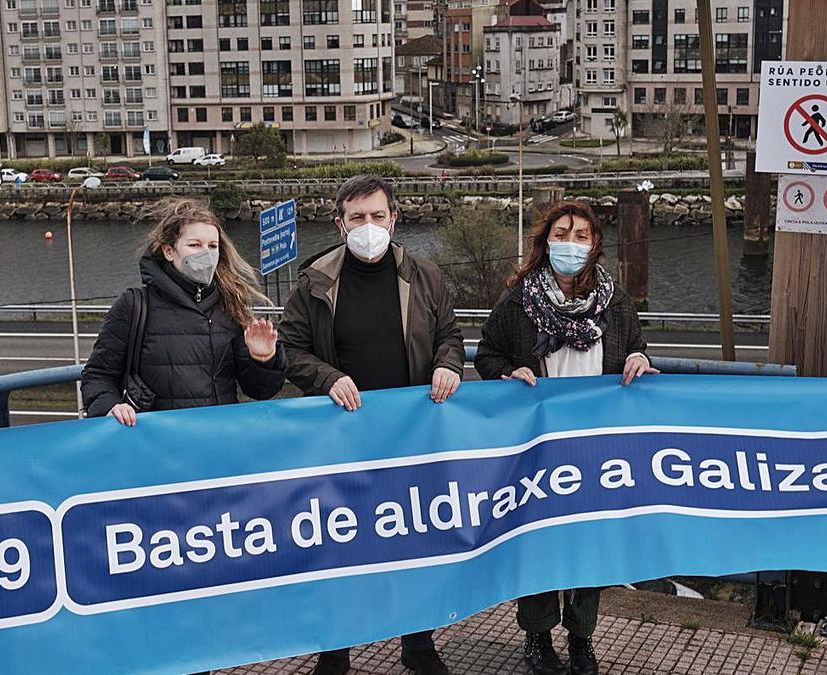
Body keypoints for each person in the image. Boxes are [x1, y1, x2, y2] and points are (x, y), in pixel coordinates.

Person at [280, 175, 464, 675]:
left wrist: (449, 363)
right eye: (357, 218)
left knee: (416, 540)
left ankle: (418, 640)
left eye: (377, 216)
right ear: (340, 223)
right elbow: (290, 351)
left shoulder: (426, 277)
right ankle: (336, 647)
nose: (368, 227)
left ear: (394, 219)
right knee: (340, 546)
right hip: (342, 439)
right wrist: (328, 377)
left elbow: (451, 334)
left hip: (412, 439)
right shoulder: (315, 280)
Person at [474, 200, 657, 675]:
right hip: (538, 448)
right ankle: (537, 637)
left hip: (598, 451)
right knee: (538, 542)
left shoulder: (616, 304)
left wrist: (639, 359)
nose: (570, 243)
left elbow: (636, 349)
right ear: (545, 241)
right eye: (561, 233)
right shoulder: (519, 301)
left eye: (580, 235)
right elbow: (486, 354)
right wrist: (508, 371)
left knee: (589, 546)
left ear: (595, 244)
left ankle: (581, 638)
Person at [81, 197, 284, 424]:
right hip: (157, 445)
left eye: (213, 246)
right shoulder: (135, 304)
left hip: (219, 440)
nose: (206, 254)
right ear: (169, 251)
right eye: (195, 245)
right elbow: (98, 376)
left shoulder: (230, 304)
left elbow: (260, 390)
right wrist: (110, 407)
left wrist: (263, 360)